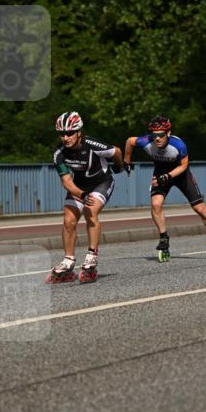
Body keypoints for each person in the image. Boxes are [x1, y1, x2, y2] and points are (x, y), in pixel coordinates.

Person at [124, 115, 206, 261]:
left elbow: (184, 165)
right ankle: (163, 237)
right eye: (154, 135)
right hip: (161, 172)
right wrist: (127, 161)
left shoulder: (178, 145)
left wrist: (168, 176)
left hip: (181, 174)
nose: (157, 139)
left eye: (161, 135)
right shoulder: (146, 141)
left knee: (199, 208)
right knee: (156, 204)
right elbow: (129, 141)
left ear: (168, 133)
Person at [49, 111, 125, 283]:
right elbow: (67, 181)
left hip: (102, 182)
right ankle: (68, 260)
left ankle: (92, 255)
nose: (65, 137)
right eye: (62, 134)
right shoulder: (59, 153)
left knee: (90, 210)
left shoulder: (92, 144)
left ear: (78, 133)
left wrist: (119, 166)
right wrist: (82, 194)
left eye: (69, 133)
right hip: (80, 187)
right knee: (69, 220)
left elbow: (117, 151)